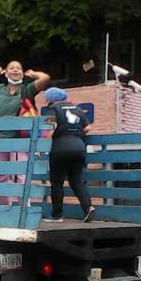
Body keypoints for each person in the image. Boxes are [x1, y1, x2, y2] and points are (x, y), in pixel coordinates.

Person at [0, 61, 50, 205]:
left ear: (22, 72)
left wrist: (33, 74)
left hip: (20, 139)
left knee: (21, 176)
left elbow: (45, 78)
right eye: (12, 68)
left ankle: (24, 209)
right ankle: (6, 209)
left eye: (18, 68)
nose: (15, 70)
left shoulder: (27, 89)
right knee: (0, 176)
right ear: (6, 72)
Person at [42, 87, 95, 223]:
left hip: (60, 148)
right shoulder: (76, 109)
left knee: (57, 183)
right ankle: (88, 207)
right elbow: (87, 127)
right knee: (76, 181)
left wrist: (42, 144)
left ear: (49, 99)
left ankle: (57, 215)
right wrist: (76, 135)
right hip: (79, 147)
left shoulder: (53, 109)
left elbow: (51, 128)